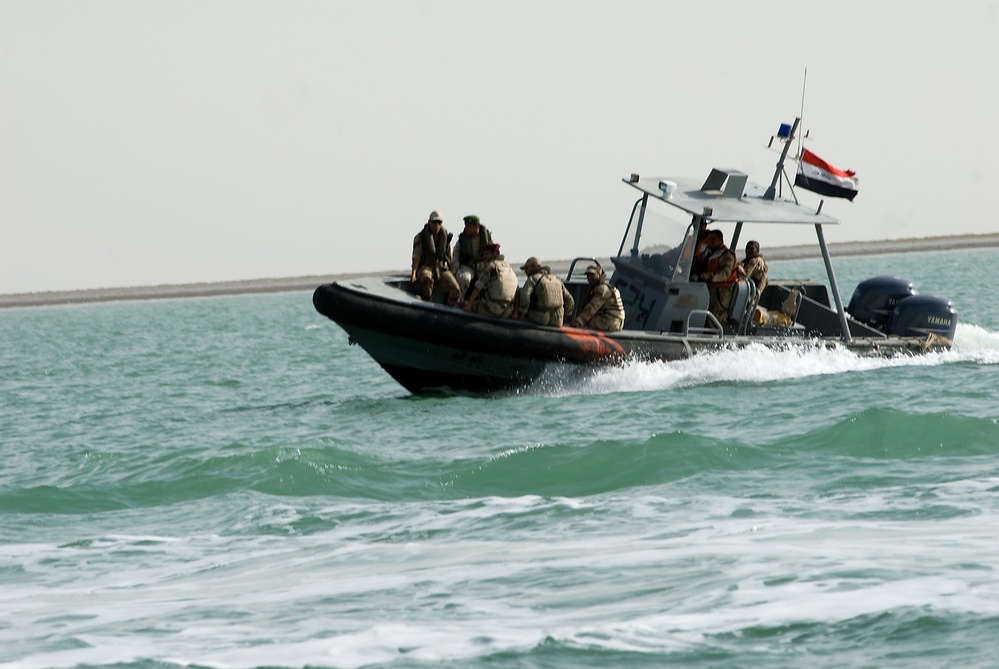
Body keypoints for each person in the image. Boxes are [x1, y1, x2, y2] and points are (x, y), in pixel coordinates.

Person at [411, 210, 461, 305]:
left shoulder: (444, 237)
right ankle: (427, 302)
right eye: (434, 222)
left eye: (439, 222)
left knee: (456, 289)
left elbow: (448, 257)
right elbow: (416, 255)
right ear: (429, 222)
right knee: (426, 279)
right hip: (426, 266)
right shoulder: (421, 237)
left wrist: (452, 273)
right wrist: (413, 273)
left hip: (440, 267)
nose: (436, 225)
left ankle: (449, 309)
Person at [514, 257, 575, 327]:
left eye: (526, 269)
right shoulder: (556, 279)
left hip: (541, 319)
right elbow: (570, 300)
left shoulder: (533, 279)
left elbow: (525, 295)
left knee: (519, 291)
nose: (525, 272)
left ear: (533, 266)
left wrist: (522, 314)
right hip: (558, 320)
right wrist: (564, 316)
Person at [463, 242, 518, 318]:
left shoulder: (491, 266)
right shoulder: (509, 267)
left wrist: (469, 305)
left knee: (462, 304)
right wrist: (515, 312)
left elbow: (478, 287)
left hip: (492, 309)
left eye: (487, 254)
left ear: (494, 253)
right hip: (507, 311)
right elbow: (517, 291)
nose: (484, 257)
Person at [696, 229, 739, 325]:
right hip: (706, 289)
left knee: (714, 319)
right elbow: (698, 262)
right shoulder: (708, 252)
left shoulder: (726, 255)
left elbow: (725, 273)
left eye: (713, 239)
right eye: (709, 239)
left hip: (721, 292)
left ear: (720, 239)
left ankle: (714, 335)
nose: (710, 241)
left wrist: (710, 276)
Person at [571, 265, 624, 332]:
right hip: (614, 321)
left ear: (599, 274)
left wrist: (579, 321)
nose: (589, 278)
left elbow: (593, 306)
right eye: (587, 275)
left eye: (592, 275)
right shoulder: (602, 287)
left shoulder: (603, 289)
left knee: (586, 322)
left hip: (611, 321)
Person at [452, 215, 493, 298]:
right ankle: (462, 299)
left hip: (483, 266)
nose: (466, 229)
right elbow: (455, 254)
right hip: (468, 266)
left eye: (469, 226)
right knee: (464, 279)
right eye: (465, 226)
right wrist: (454, 270)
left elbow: (493, 254)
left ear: (476, 226)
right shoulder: (462, 239)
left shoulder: (487, 238)